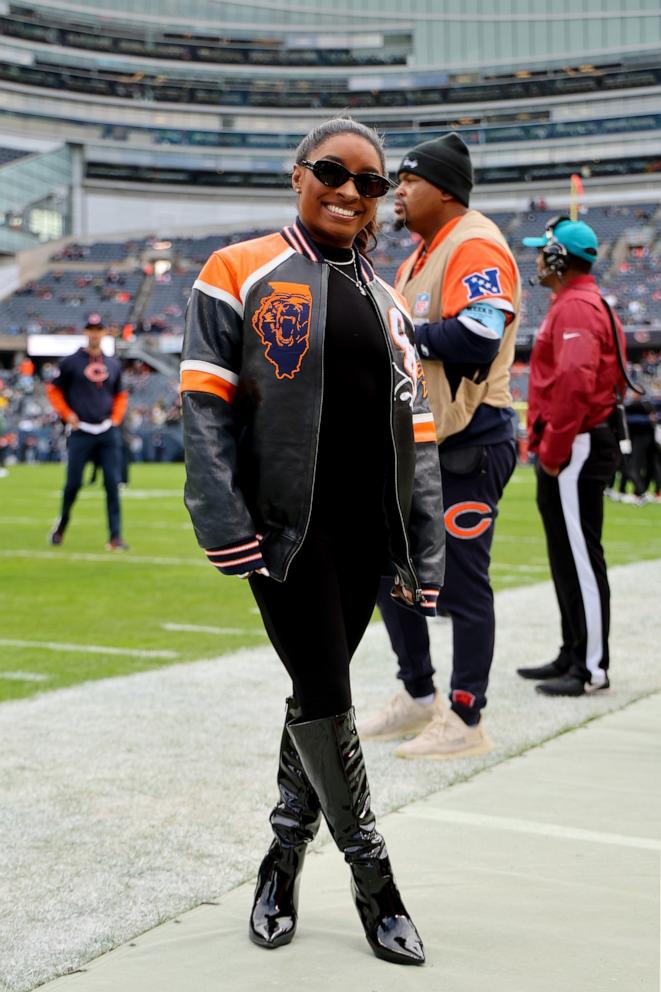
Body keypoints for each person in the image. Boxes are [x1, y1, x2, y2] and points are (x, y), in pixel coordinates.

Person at [180, 118, 444, 966]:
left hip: (366, 534)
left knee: (310, 696)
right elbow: (204, 407)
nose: (350, 190)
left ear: (379, 202)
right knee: (327, 690)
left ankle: (280, 859)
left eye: (370, 183)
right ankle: (378, 886)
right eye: (333, 171)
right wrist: (221, 519)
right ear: (298, 175)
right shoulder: (236, 269)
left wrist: (424, 548)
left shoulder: (388, 297)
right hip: (284, 534)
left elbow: (421, 433)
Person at [359, 132, 520, 759]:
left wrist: (407, 338)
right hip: (424, 439)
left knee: (461, 580)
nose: (398, 191)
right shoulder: (421, 253)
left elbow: (480, 333)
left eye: (409, 180)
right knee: (388, 567)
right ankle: (420, 693)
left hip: (471, 440)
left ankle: (466, 715)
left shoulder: (473, 240)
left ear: (444, 188)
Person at [517, 217, 625, 695]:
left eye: (544, 250)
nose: (538, 258)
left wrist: (554, 449)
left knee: (580, 558)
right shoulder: (575, 302)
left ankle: (591, 668)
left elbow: (576, 384)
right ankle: (572, 651)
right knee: (565, 556)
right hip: (573, 442)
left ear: (560, 257)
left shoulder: (577, 307)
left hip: (577, 443)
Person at [46, 315, 129, 550]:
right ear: (85, 332)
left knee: (112, 484)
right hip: (80, 431)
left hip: (106, 431)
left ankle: (115, 537)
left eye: (98, 329)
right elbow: (53, 391)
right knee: (73, 484)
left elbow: (121, 395)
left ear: (104, 333)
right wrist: (67, 414)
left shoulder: (113, 363)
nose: (94, 333)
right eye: (91, 329)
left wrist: (115, 419)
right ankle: (61, 526)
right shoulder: (70, 362)